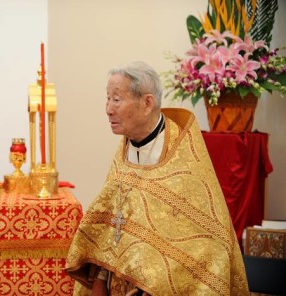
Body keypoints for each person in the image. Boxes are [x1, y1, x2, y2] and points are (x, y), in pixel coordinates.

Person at [65, 61, 249, 295]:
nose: (108, 109)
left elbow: (208, 245)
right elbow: (112, 225)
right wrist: (100, 279)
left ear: (147, 103)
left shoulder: (183, 157)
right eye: (108, 98)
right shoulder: (126, 149)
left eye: (117, 99)